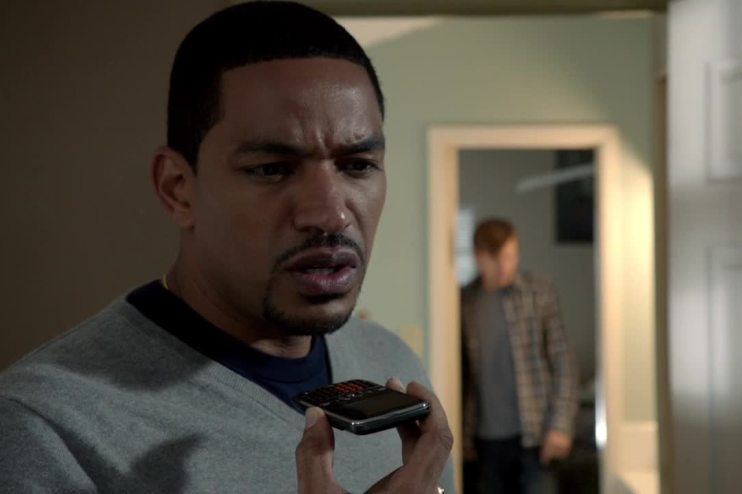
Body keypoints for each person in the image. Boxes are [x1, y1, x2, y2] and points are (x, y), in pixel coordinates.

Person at [0, 2, 454, 492]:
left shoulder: (392, 363)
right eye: (272, 169)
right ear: (178, 189)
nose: (331, 214)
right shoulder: (43, 425)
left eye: (358, 165)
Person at [461, 218, 578, 494]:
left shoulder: (539, 293)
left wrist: (560, 426)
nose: (505, 266)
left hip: (536, 435)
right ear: (479, 257)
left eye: (511, 257)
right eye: (496, 259)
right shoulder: (465, 302)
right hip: (485, 441)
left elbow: (564, 363)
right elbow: (463, 375)